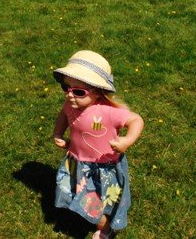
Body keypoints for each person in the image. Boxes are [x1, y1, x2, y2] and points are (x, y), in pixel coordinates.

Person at [52, 51, 144, 239]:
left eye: (78, 91)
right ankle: (101, 221)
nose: (70, 95)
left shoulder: (107, 112)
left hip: (103, 168)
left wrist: (127, 141)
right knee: (76, 195)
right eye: (66, 87)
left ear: (97, 91)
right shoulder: (70, 104)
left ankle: (106, 228)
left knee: (95, 203)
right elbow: (63, 116)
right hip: (75, 162)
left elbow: (136, 120)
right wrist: (58, 133)